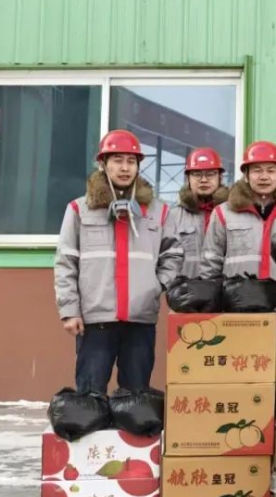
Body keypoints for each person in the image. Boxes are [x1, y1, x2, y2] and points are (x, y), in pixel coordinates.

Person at [55, 129, 183, 393]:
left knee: (135, 398)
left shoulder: (159, 211)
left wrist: (156, 285)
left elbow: (173, 254)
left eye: (131, 161)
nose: (125, 168)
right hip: (95, 318)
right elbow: (66, 262)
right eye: (117, 160)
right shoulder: (80, 209)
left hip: (140, 318)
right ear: (103, 163)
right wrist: (70, 310)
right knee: (90, 397)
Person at [199, 141, 276, 315]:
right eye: (257, 170)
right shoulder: (223, 213)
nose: (264, 177)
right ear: (246, 175)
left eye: (270, 171)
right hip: (237, 309)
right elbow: (210, 264)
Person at [169, 148, 229, 278]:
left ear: (220, 177)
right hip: (188, 288)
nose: (203, 180)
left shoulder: (232, 215)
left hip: (227, 288)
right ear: (188, 178)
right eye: (197, 174)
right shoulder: (172, 217)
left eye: (210, 174)